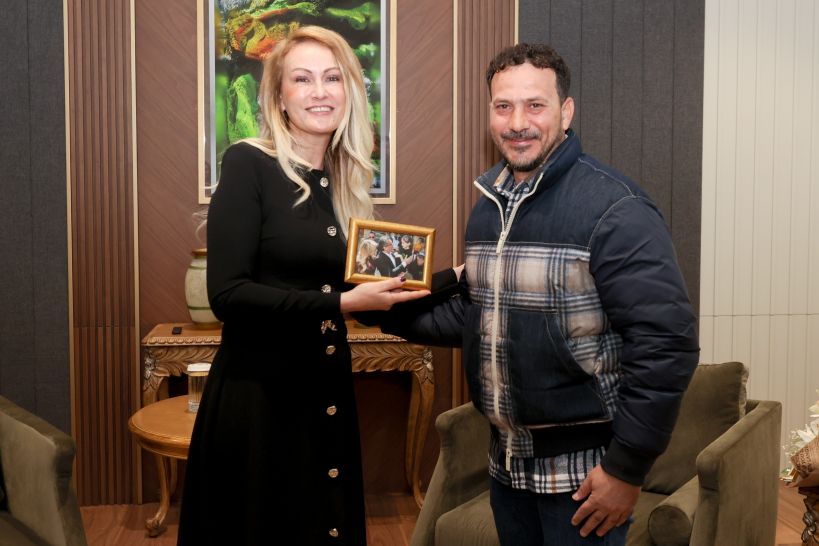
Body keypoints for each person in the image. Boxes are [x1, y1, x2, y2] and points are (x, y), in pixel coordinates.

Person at [376, 43, 699, 545]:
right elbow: (479, 316)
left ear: (565, 112)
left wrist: (626, 469)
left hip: (585, 481)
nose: (517, 123)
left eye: (535, 105)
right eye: (503, 106)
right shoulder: (489, 206)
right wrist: (386, 309)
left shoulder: (616, 209)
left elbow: (666, 344)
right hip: (507, 471)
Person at [177, 26, 428, 546]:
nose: (320, 91)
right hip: (261, 401)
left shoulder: (342, 184)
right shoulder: (247, 163)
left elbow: (369, 299)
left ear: (350, 91)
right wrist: (342, 301)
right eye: (303, 79)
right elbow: (228, 295)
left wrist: (459, 281)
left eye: (332, 78)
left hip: (325, 393)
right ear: (279, 97)